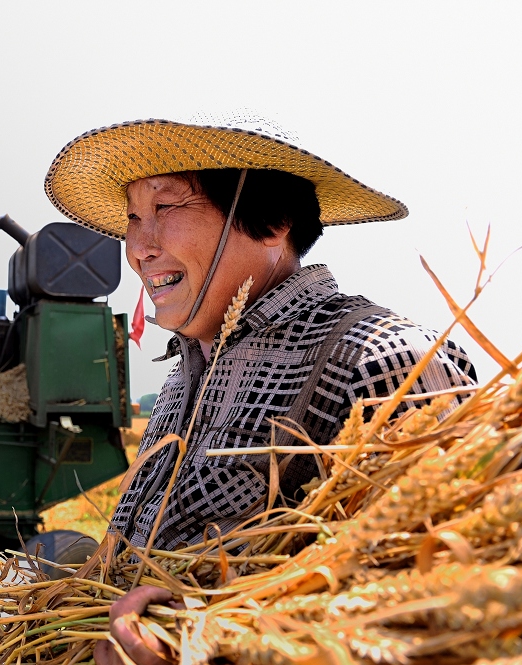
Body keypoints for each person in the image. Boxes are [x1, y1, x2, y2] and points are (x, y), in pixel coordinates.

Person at [42, 116, 477, 665]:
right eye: (133, 217)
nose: (139, 247)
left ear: (272, 222)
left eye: (167, 208)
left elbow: (445, 619)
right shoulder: (184, 377)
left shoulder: (387, 365)